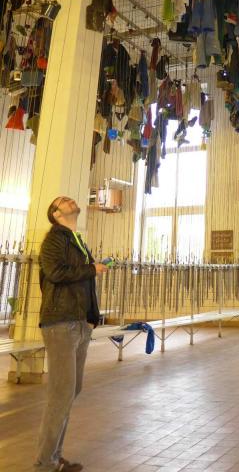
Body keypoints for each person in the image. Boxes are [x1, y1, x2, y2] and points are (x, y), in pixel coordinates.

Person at [34, 196, 108, 472]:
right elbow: (55, 272)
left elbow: (84, 282)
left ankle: (54, 456)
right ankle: (44, 463)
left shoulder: (76, 240)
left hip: (79, 322)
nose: (70, 200)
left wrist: (91, 318)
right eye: (63, 201)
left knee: (71, 390)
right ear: (56, 214)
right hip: (60, 323)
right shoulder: (54, 239)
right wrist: (91, 268)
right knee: (61, 393)